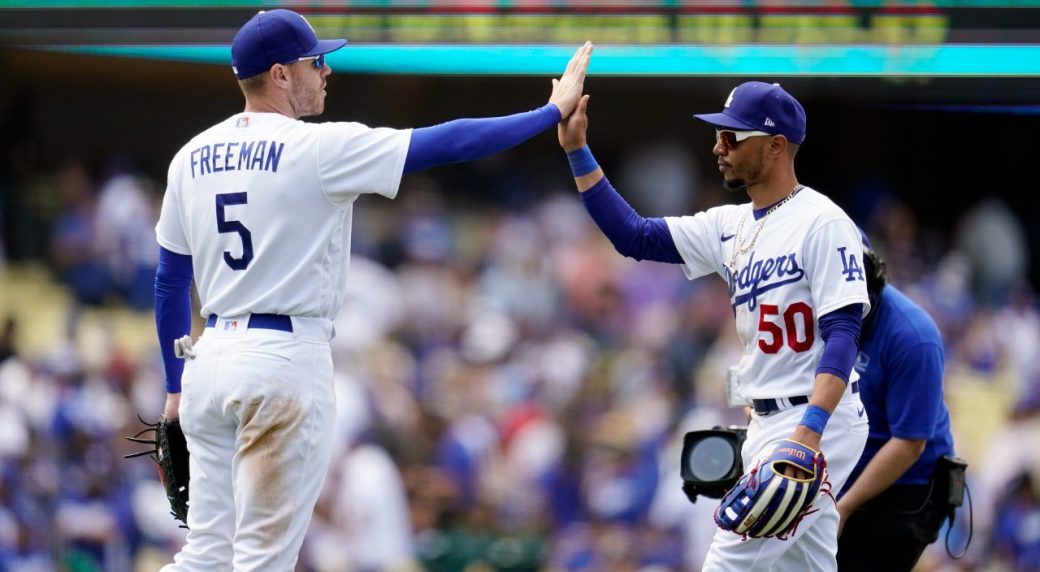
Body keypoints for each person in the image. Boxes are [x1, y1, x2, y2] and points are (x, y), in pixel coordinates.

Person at [152, 9, 592, 570]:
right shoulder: (316, 148)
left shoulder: (190, 156)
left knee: (205, 555)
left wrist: (173, 388)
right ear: (282, 74)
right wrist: (549, 112)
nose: (327, 71)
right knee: (263, 559)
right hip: (282, 360)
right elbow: (451, 143)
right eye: (317, 61)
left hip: (208, 361)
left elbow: (169, 278)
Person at [557, 82, 870, 571]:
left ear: (775, 145)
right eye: (719, 135)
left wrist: (810, 431)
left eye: (732, 137)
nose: (718, 147)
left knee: (727, 561)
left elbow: (844, 333)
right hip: (765, 420)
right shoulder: (731, 224)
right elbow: (634, 236)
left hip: (814, 420)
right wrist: (577, 150)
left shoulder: (823, 222)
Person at [836, 240, 957, 571]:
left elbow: (909, 444)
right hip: (842, 472)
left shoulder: (913, 337)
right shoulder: (813, 313)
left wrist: (843, 508)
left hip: (905, 491)